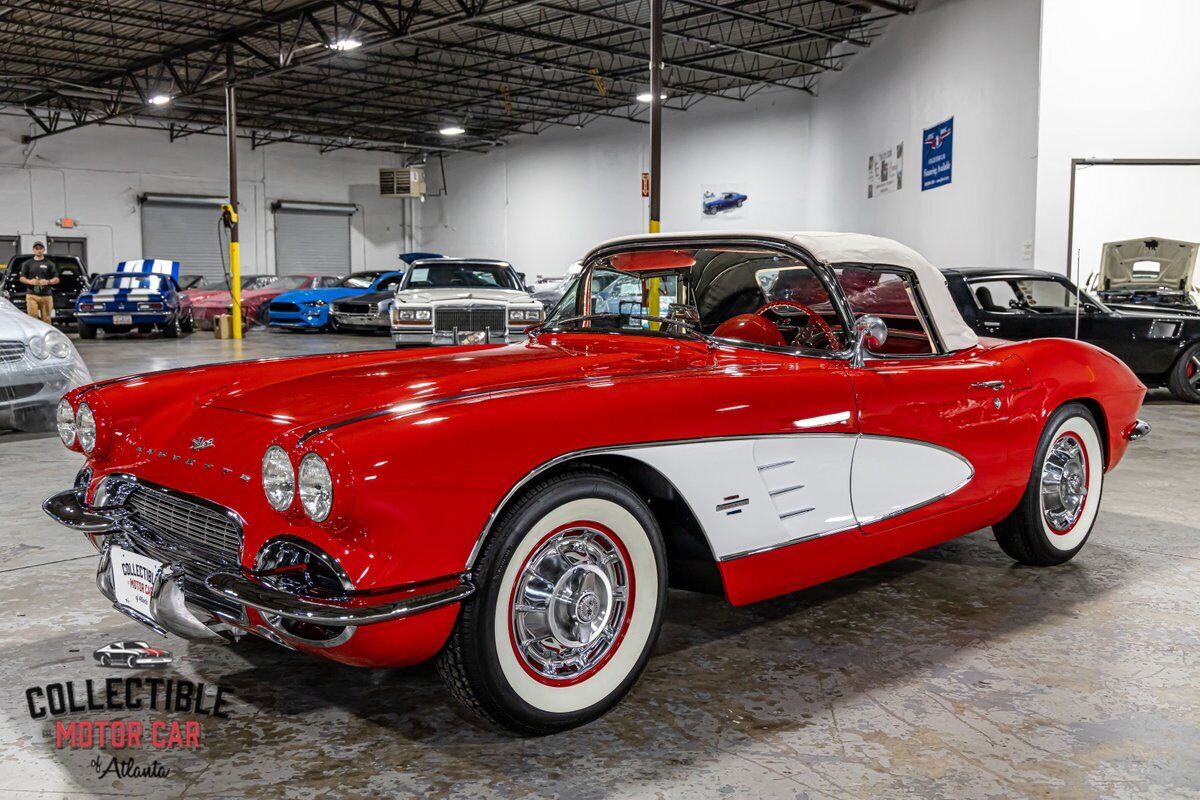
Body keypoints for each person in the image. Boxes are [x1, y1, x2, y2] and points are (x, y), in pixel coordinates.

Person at [20, 242, 58, 322]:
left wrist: (48, 281)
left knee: (47, 319)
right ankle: (35, 334)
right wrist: (30, 281)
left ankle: (47, 334)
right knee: (32, 318)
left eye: (40, 248)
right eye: (36, 249)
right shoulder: (27, 263)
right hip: (32, 295)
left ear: (44, 250)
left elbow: (56, 279)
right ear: (33, 250)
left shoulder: (49, 264)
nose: (39, 250)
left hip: (46, 295)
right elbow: (22, 278)